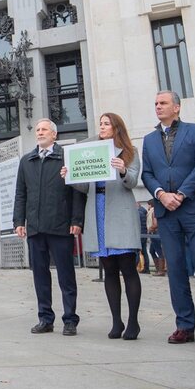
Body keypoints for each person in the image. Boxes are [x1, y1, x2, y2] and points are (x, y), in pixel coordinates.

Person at [141, 91, 195, 348]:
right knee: (175, 270)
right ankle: (184, 326)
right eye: (155, 103)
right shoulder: (149, 139)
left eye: (163, 103)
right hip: (166, 213)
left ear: (176, 107)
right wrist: (160, 195)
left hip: (193, 208)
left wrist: (180, 194)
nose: (158, 107)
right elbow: (147, 172)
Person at [66, 113, 143, 340]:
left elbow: (133, 181)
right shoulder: (92, 150)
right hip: (97, 209)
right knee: (109, 269)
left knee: (127, 268)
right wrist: (70, 176)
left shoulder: (130, 152)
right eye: (100, 123)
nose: (102, 127)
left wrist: (122, 170)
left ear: (116, 127)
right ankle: (116, 321)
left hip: (120, 210)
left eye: (106, 123)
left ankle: (133, 322)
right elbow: (83, 187)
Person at [13, 119, 84, 336]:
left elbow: (77, 192)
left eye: (44, 129)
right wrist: (19, 222)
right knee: (40, 276)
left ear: (54, 134)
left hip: (60, 226)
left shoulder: (66, 157)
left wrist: (77, 221)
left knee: (66, 275)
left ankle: (70, 319)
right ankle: (45, 318)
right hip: (35, 228)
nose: (39, 133)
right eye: (37, 130)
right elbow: (21, 194)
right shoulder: (27, 160)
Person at [146, 200, 165, 276]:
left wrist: (150, 229)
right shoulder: (152, 211)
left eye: (148, 205)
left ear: (150, 205)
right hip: (153, 233)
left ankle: (161, 270)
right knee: (151, 251)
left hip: (155, 233)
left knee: (159, 252)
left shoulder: (154, 211)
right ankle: (158, 269)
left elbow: (155, 223)